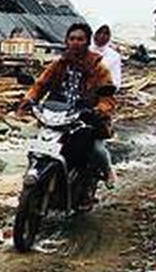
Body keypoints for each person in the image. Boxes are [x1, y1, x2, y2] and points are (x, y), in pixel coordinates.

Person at [18, 22, 117, 190]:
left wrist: (100, 109)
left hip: (85, 117)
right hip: (57, 114)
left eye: (80, 39)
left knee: (95, 149)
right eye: (72, 39)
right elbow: (40, 85)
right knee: (38, 147)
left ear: (87, 42)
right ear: (66, 41)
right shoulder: (58, 64)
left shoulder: (99, 68)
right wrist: (29, 99)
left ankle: (107, 172)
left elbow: (107, 97)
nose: (75, 42)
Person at [90, 24, 122, 90]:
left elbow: (116, 81)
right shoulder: (85, 50)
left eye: (106, 33)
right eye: (99, 32)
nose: (102, 36)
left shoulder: (114, 56)